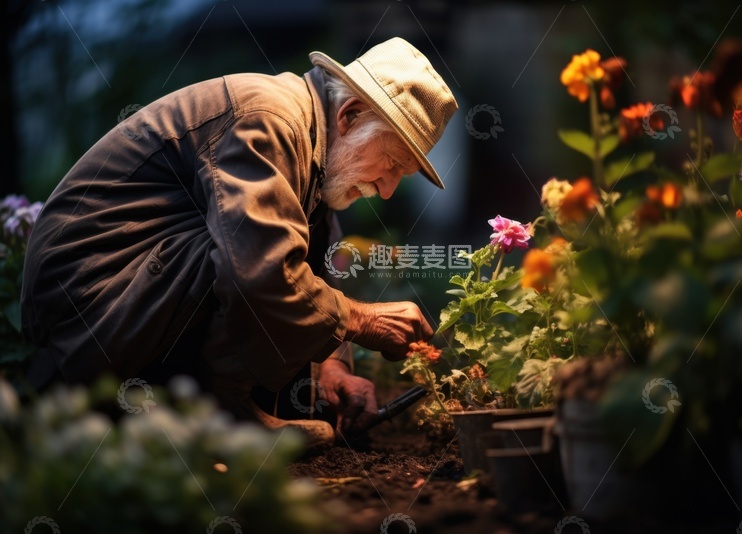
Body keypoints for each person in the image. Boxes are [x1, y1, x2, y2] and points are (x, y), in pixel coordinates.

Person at [20, 37, 458, 446]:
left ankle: (220, 407)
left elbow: (314, 262)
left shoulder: (313, 143)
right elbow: (258, 269)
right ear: (350, 115)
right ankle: (223, 411)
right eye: (392, 163)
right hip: (92, 302)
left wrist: (333, 367)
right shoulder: (268, 119)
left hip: (133, 295)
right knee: (249, 251)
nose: (387, 190)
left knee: (275, 239)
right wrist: (360, 319)